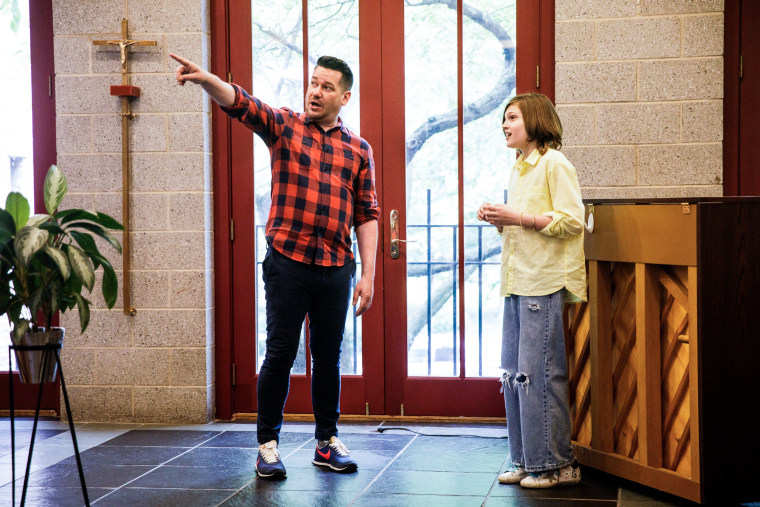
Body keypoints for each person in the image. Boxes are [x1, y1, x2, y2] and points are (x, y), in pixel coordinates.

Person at [170, 53, 379, 479]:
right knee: (281, 354)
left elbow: (367, 213)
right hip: (288, 262)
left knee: (327, 357)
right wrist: (207, 78)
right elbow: (241, 103)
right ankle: (267, 445)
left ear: (345, 96)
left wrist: (368, 274)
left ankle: (326, 442)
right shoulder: (285, 126)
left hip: (336, 266)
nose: (316, 92)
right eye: (313, 83)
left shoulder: (359, 150)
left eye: (326, 87)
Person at [477, 93, 586, 489]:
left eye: (511, 118)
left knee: (541, 375)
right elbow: (527, 225)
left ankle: (557, 464)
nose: (504, 125)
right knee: (516, 375)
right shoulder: (520, 166)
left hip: (542, 281)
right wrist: (499, 220)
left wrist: (517, 217)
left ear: (535, 120)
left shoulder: (555, 163)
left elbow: (572, 220)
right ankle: (525, 459)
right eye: (504, 120)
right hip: (517, 280)